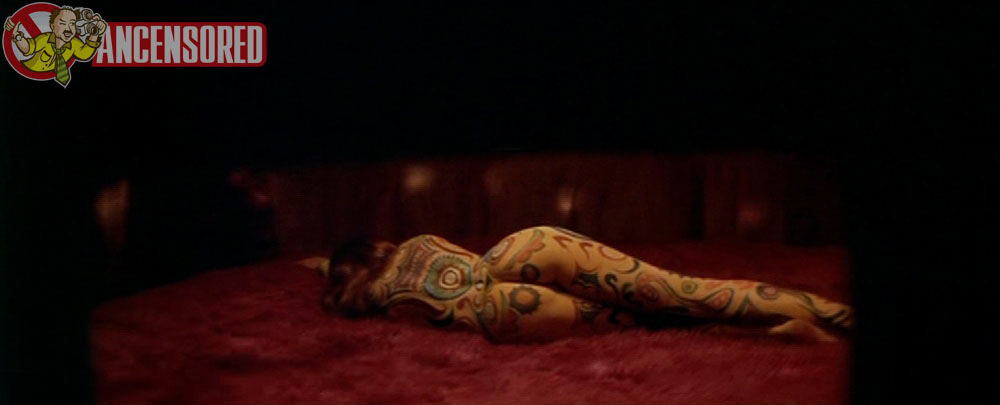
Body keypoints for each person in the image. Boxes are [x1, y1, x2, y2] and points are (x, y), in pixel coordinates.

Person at [305, 226, 854, 343]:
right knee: (686, 291)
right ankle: (838, 316)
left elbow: (342, 278)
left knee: (656, 323)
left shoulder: (375, 299)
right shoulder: (415, 242)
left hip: (500, 311)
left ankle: (786, 331)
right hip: (521, 251)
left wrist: (326, 271)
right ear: (377, 246)